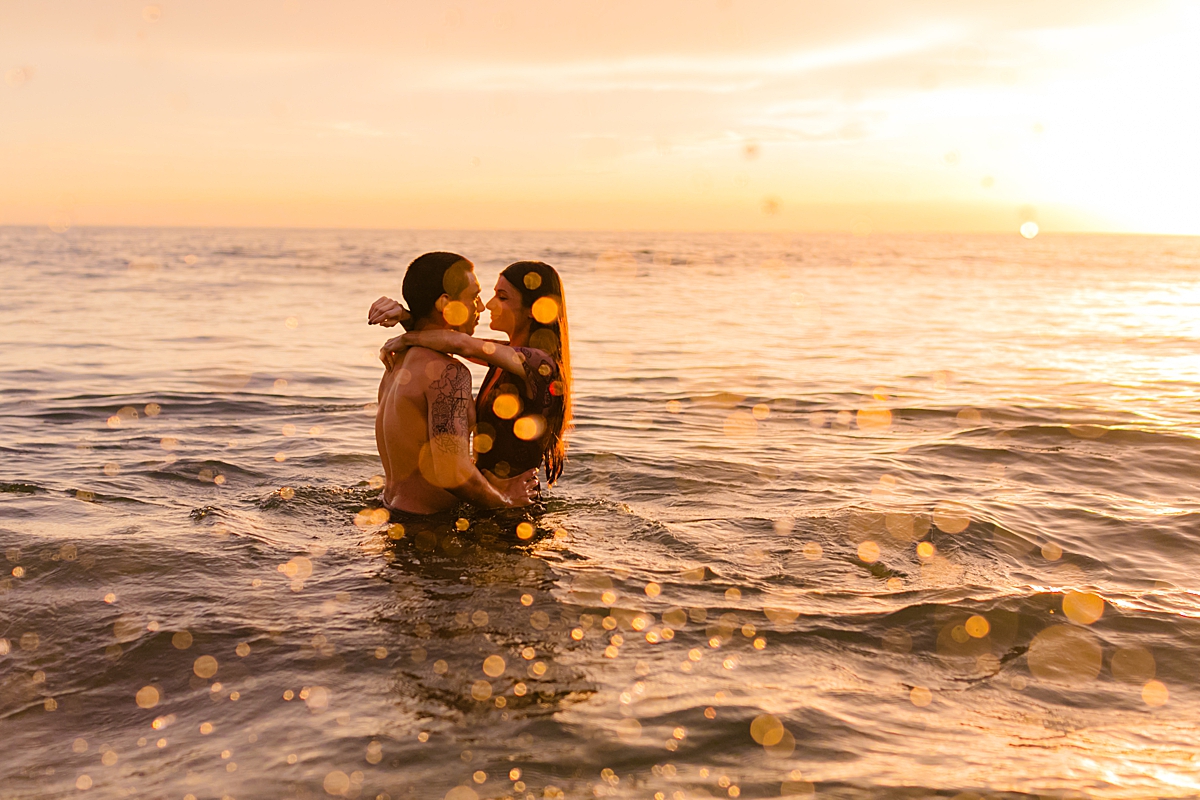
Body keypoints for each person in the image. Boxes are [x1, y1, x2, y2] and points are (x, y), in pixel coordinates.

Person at [368, 260, 571, 489]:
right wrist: (407, 318)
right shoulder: (505, 357)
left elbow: (462, 344)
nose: (490, 305)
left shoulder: (540, 364)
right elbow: (450, 342)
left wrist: (407, 337)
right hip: (492, 499)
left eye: (502, 297)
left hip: (516, 507)